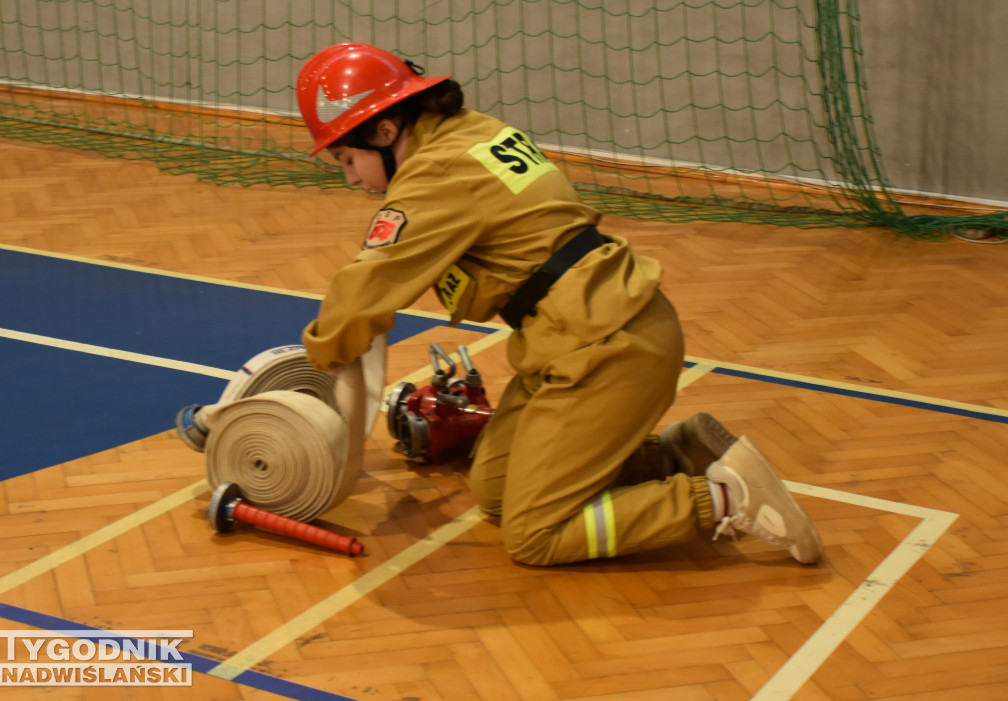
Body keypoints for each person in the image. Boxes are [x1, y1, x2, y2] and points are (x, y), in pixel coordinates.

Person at [296, 42, 823, 566]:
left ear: (385, 131)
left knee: (536, 533)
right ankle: (677, 454)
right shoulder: (470, 132)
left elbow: (365, 289)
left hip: (604, 348)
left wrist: (318, 365)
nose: (351, 178)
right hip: (587, 328)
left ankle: (727, 497)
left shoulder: (434, 175)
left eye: (347, 159)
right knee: (497, 486)